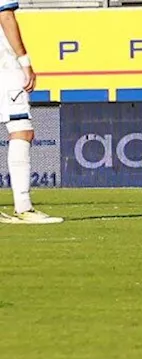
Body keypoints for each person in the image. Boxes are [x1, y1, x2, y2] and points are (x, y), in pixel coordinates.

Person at [0, 2, 60, 223]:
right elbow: (5, 16)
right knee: (21, 130)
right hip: (4, 68)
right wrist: (25, 61)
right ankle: (23, 207)